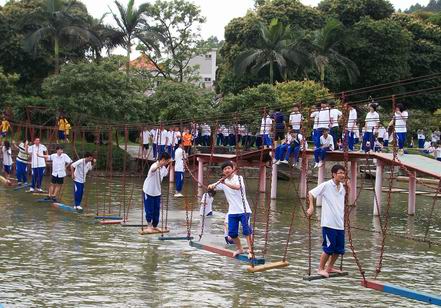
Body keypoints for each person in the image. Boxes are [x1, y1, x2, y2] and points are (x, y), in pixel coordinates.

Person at [307, 164, 346, 278]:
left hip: (339, 223)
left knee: (339, 249)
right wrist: (311, 207)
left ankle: (329, 267)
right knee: (329, 248)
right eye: (340, 173)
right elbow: (311, 193)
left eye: (343, 173)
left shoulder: (342, 187)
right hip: (329, 223)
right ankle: (320, 268)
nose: (342, 175)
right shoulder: (326, 185)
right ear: (333, 174)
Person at [208, 161, 253, 258]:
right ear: (223, 172)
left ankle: (250, 251)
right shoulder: (222, 181)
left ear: (233, 169)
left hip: (244, 210)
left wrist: (225, 183)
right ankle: (240, 249)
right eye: (225, 169)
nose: (227, 170)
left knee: (246, 231)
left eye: (229, 168)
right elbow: (212, 186)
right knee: (232, 233)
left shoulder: (238, 178)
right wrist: (211, 186)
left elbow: (237, 187)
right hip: (232, 212)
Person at [142, 152, 171, 232]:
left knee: (156, 210)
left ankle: (154, 226)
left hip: (157, 192)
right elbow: (153, 169)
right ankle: (149, 226)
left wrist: (169, 166)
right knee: (149, 209)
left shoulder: (163, 168)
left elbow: (165, 174)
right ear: (162, 160)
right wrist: (158, 166)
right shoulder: (154, 165)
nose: (167, 163)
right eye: (166, 161)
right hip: (148, 191)